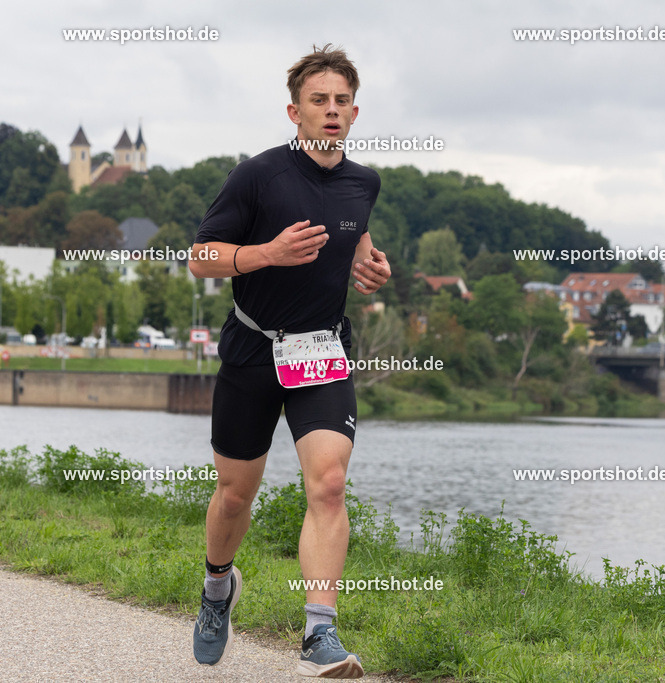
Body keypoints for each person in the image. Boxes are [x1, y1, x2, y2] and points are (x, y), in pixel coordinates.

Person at [188, 43, 390, 678]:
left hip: (321, 350)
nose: (330, 112)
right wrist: (265, 254)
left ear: (355, 113)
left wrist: (367, 261)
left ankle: (319, 634)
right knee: (233, 494)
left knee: (329, 483)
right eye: (318, 101)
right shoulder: (257, 175)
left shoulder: (365, 182)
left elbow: (348, 231)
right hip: (253, 348)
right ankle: (218, 586)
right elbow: (202, 257)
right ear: (294, 111)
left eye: (341, 102)